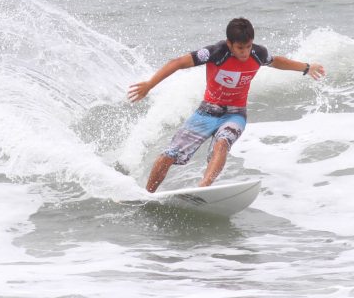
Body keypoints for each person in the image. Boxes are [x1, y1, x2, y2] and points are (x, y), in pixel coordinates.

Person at [128, 18, 325, 193]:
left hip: (235, 114)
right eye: (240, 48)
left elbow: (278, 62)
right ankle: (147, 195)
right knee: (168, 155)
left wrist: (306, 68)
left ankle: (203, 188)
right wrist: (149, 85)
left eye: (248, 46)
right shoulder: (215, 52)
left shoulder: (258, 53)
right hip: (207, 112)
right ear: (230, 44)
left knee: (222, 144)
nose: (245, 52)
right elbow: (178, 62)